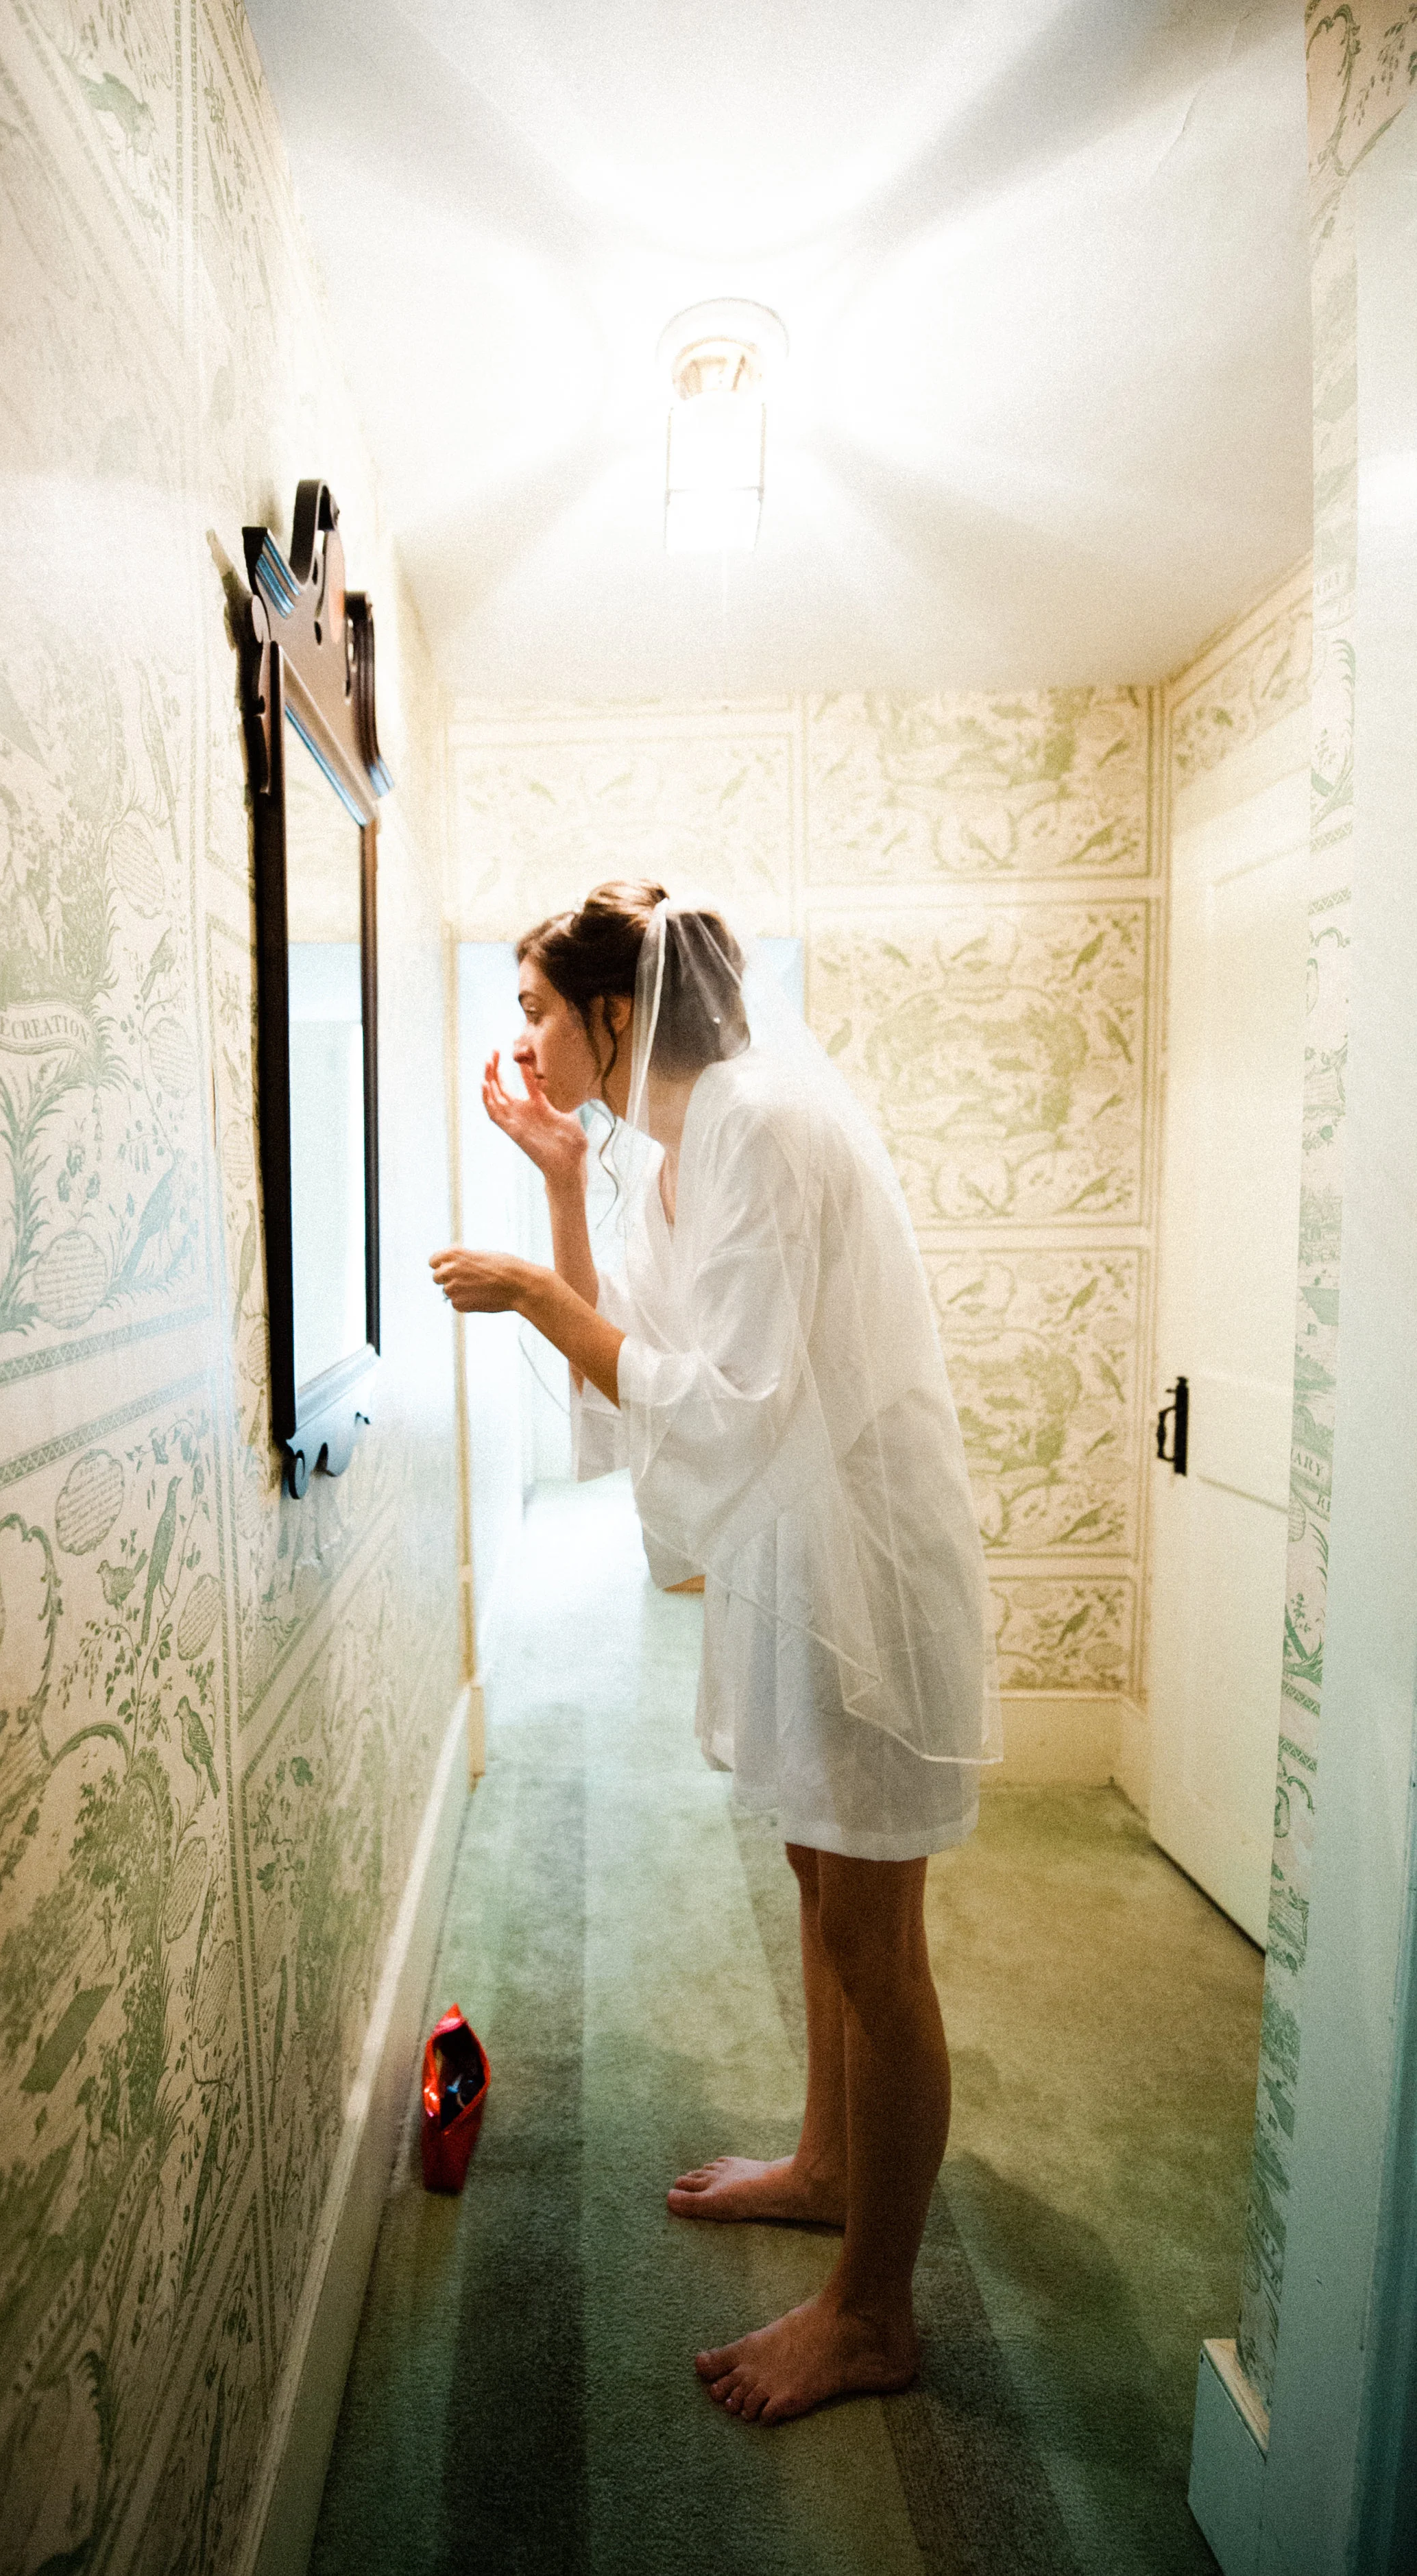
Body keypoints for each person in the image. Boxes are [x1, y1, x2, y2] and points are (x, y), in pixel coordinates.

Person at [431, 880, 997, 2427]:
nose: (524, 1036)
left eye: (539, 1007)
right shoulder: (674, 1150)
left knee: (878, 1940)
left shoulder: (752, 1119)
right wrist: (559, 1191)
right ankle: (824, 2167)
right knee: (821, 1879)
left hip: (860, 1571)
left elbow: (727, 1401)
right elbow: (635, 1395)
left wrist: (542, 1299)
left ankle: (872, 2316)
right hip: (788, 1557)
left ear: (619, 1013)